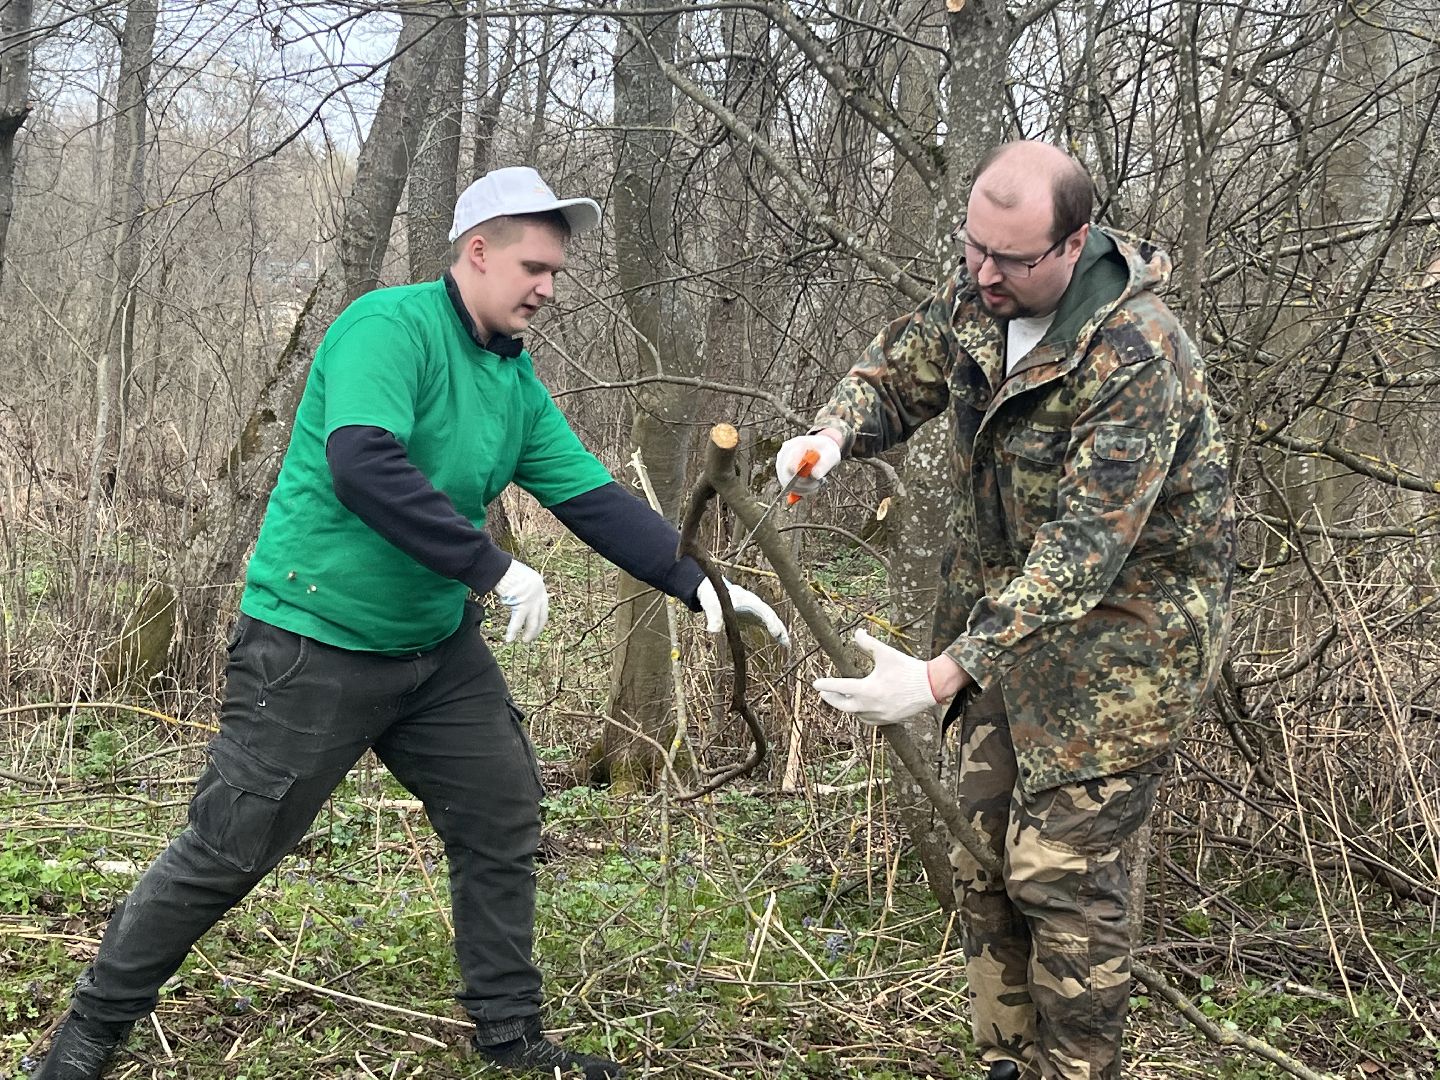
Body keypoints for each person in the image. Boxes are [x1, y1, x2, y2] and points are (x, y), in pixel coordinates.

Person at [36, 166, 788, 1080]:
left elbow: (588, 493)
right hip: (311, 645)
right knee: (227, 850)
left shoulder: (511, 378)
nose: (548, 288)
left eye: (556, 271)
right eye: (534, 267)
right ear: (477, 252)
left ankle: (512, 1041)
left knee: (501, 814)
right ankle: (87, 1036)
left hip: (435, 655)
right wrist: (491, 566)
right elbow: (362, 463)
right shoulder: (386, 330)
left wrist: (694, 580)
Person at [775, 141, 1234, 1079]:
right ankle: (1005, 1061)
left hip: (1124, 649)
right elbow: (895, 372)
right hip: (1008, 632)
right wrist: (828, 436)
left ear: (1073, 244)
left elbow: (1085, 549)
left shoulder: (1138, 350)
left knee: (1057, 877)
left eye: (1010, 259)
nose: (984, 273)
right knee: (985, 861)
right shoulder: (979, 296)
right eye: (972, 248)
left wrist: (940, 671)